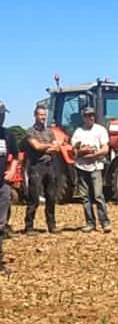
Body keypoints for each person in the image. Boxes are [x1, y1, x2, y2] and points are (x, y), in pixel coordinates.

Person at [71, 107, 111, 233]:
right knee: (85, 197)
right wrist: (85, 151)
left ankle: (105, 222)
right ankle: (90, 222)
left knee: (98, 195)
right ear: (83, 117)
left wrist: (93, 154)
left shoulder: (100, 130)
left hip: (96, 166)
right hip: (81, 167)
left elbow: (105, 149)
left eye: (92, 115)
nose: (91, 117)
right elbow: (74, 150)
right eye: (88, 115)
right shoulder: (78, 132)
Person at [23, 104, 60, 234]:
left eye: (44, 115)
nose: (42, 117)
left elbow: (57, 148)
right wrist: (49, 146)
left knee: (51, 197)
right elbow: (36, 147)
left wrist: (46, 147)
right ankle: (29, 226)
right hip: (36, 166)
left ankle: (51, 225)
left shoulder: (49, 131)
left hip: (50, 165)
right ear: (35, 116)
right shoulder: (30, 132)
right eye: (40, 115)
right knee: (34, 197)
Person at [0, 100, 21, 273]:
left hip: (2, 184)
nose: (1, 116)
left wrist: (12, 170)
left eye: (3, 113)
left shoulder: (8, 135)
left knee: (0, 224)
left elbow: (15, 155)